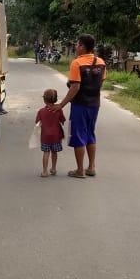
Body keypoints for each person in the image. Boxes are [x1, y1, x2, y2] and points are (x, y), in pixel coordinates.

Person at [56, 34, 106, 178]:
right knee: (90, 134)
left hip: (80, 105)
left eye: (77, 45)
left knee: (78, 136)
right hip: (95, 104)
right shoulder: (101, 62)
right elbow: (100, 83)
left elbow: (74, 87)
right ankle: (91, 167)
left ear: (83, 47)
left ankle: (79, 170)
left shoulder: (77, 63)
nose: (76, 47)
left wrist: (61, 105)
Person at [35, 88, 66, 177]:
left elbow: (37, 122)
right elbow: (63, 120)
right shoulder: (58, 110)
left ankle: (44, 171)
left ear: (44, 99)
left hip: (45, 136)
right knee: (54, 152)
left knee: (46, 153)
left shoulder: (41, 111)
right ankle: (53, 168)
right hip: (56, 136)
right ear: (55, 99)